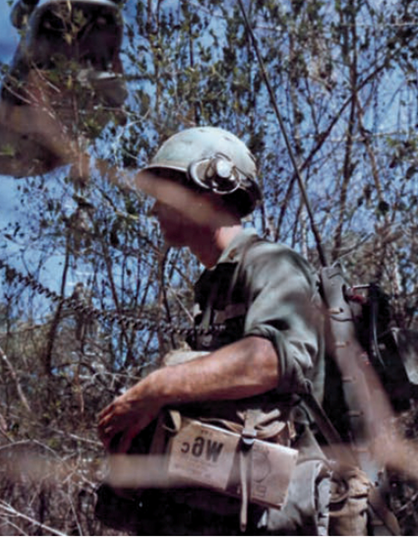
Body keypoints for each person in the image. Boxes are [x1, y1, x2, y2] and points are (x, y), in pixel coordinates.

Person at [96, 126, 330, 534]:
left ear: (210, 190)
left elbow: (273, 358)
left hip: (275, 510)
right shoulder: (213, 288)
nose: (153, 210)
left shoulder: (272, 263)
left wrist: (158, 387)